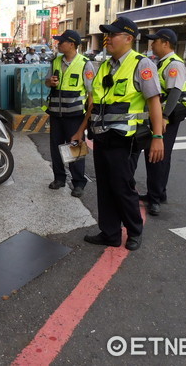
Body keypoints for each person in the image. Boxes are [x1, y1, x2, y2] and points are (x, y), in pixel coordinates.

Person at [73, 17, 164, 251]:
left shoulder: (141, 65)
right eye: (106, 34)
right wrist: (81, 130)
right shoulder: (104, 65)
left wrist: (157, 137)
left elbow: (154, 103)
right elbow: (94, 105)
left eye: (112, 35)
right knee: (104, 188)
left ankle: (134, 231)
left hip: (125, 140)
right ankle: (110, 233)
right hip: (102, 138)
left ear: (128, 38)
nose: (107, 38)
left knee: (122, 187)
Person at [140, 28, 186, 216]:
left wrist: (165, 117)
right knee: (158, 156)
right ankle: (158, 193)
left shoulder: (174, 63)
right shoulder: (162, 63)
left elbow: (175, 91)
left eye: (155, 41)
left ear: (166, 43)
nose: (152, 44)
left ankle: (155, 199)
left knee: (158, 156)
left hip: (167, 117)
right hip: (160, 116)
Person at [44, 29, 95, 198]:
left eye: (61, 42)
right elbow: (47, 81)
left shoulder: (85, 64)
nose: (58, 44)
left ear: (72, 44)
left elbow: (91, 94)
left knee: (74, 149)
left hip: (75, 116)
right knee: (56, 148)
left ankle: (78, 183)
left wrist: (89, 119)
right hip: (56, 114)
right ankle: (59, 178)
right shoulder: (55, 61)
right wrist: (49, 82)